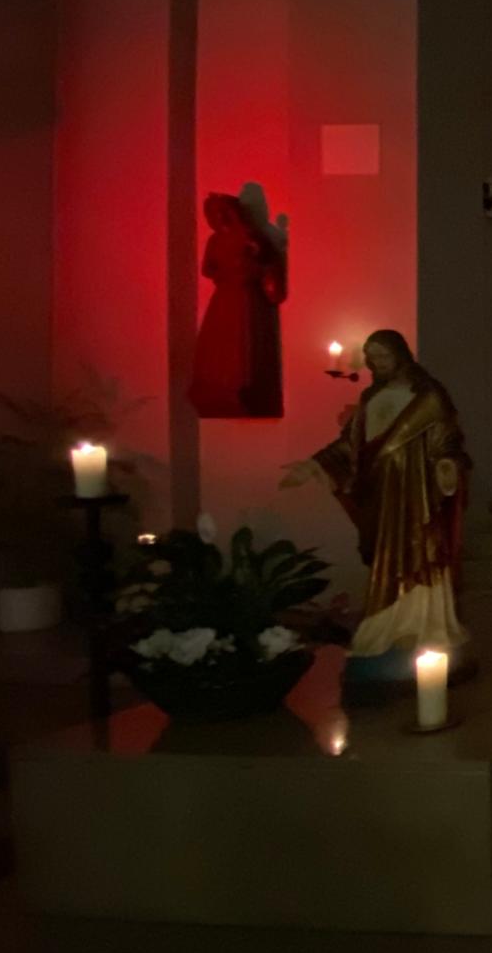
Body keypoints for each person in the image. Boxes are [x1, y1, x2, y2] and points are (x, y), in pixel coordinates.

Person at [281, 330, 469, 671]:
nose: (378, 364)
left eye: (384, 356)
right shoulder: (371, 397)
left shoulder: (428, 396)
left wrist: (446, 465)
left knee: (419, 552)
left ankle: (425, 626)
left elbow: (449, 441)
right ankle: (386, 628)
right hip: (381, 492)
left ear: (400, 355)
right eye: (373, 359)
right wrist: (313, 465)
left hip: (417, 492)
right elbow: (348, 445)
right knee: (385, 556)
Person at [186, 192, 286, 417]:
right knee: (219, 345)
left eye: (223, 213)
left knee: (244, 345)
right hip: (224, 296)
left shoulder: (250, 236)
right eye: (213, 214)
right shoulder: (215, 240)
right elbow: (207, 269)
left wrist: (253, 263)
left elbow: (268, 265)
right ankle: (217, 388)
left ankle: (244, 388)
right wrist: (226, 271)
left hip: (246, 297)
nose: (219, 218)